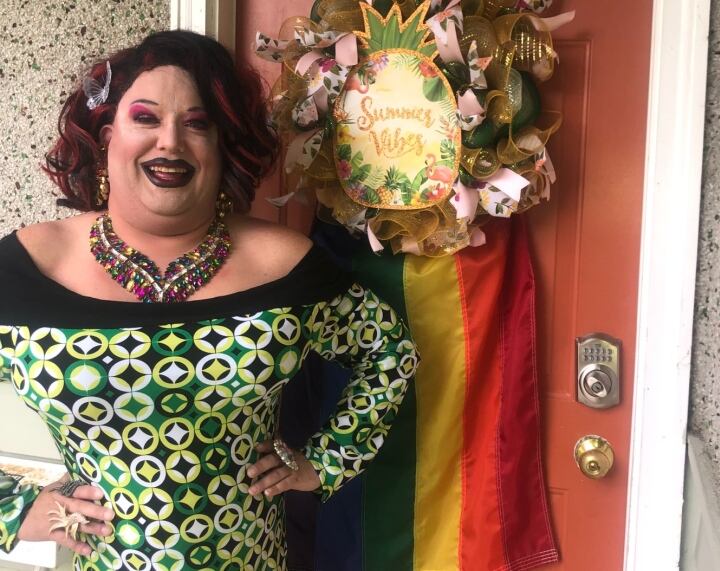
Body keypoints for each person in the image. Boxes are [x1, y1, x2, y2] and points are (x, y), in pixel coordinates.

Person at [0, 30, 418, 570]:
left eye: (197, 124)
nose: (170, 141)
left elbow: (389, 354)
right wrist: (14, 509)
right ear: (106, 137)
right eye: (145, 118)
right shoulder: (27, 269)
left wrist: (325, 460)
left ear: (224, 148)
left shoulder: (286, 265)